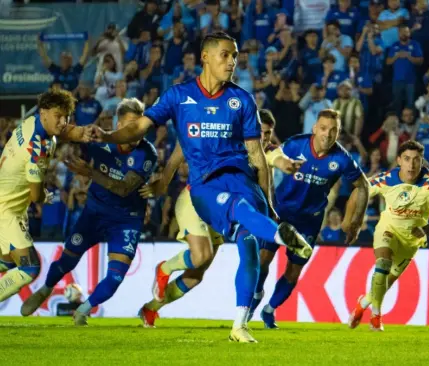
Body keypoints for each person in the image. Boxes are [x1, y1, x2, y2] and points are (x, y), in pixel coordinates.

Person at [90, 31, 312, 343]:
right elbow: (158, 136)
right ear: (205, 57)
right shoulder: (180, 98)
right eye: (226, 54)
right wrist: (111, 138)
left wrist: (270, 205)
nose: (232, 61)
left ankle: (231, 323)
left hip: (240, 184)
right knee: (208, 246)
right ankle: (277, 237)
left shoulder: (241, 100)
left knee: (213, 266)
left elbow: (259, 157)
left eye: (235, 55)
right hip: (201, 190)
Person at [137, 109, 304, 328]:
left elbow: (280, 160)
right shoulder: (230, 143)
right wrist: (165, 181)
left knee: (196, 275)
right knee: (201, 255)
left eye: (268, 133)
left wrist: (289, 165)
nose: (263, 137)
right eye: (260, 131)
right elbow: (185, 147)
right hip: (197, 200)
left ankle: (151, 309)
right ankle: (165, 268)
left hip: (228, 209)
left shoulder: (268, 151)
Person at [21, 99, 158, 326]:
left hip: (125, 220)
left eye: (139, 126)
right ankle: (44, 289)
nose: (135, 132)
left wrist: (91, 173)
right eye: (129, 125)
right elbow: (67, 134)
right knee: (67, 261)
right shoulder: (101, 140)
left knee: (115, 277)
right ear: (117, 123)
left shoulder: (147, 154)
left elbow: (124, 189)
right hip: (94, 213)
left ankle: (83, 311)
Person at [249, 109, 370, 329]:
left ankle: (269, 310)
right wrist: (280, 163)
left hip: (309, 221)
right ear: (315, 128)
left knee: (293, 272)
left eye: (333, 130)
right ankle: (256, 294)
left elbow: (363, 186)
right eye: (323, 128)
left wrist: (355, 221)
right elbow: (271, 155)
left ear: (338, 133)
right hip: (280, 213)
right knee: (263, 257)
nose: (327, 134)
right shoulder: (297, 144)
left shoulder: (341, 158)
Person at [0, 90, 93, 303]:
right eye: (58, 116)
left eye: (66, 116)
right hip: (6, 210)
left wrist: (82, 133)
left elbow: (65, 131)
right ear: (44, 113)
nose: (62, 122)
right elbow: (35, 195)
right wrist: (44, 196)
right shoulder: (37, 148)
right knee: (29, 267)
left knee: (6, 262)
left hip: (9, 203)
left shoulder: (34, 122)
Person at [348, 140, 429, 331]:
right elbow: (361, 191)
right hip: (388, 229)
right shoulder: (386, 178)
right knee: (383, 264)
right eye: (407, 159)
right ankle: (376, 317)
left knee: (384, 283)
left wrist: (426, 230)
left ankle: (362, 305)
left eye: (416, 160)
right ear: (399, 160)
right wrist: (352, 220)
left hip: (411, 241)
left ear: (422, 162)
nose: (412, 165)